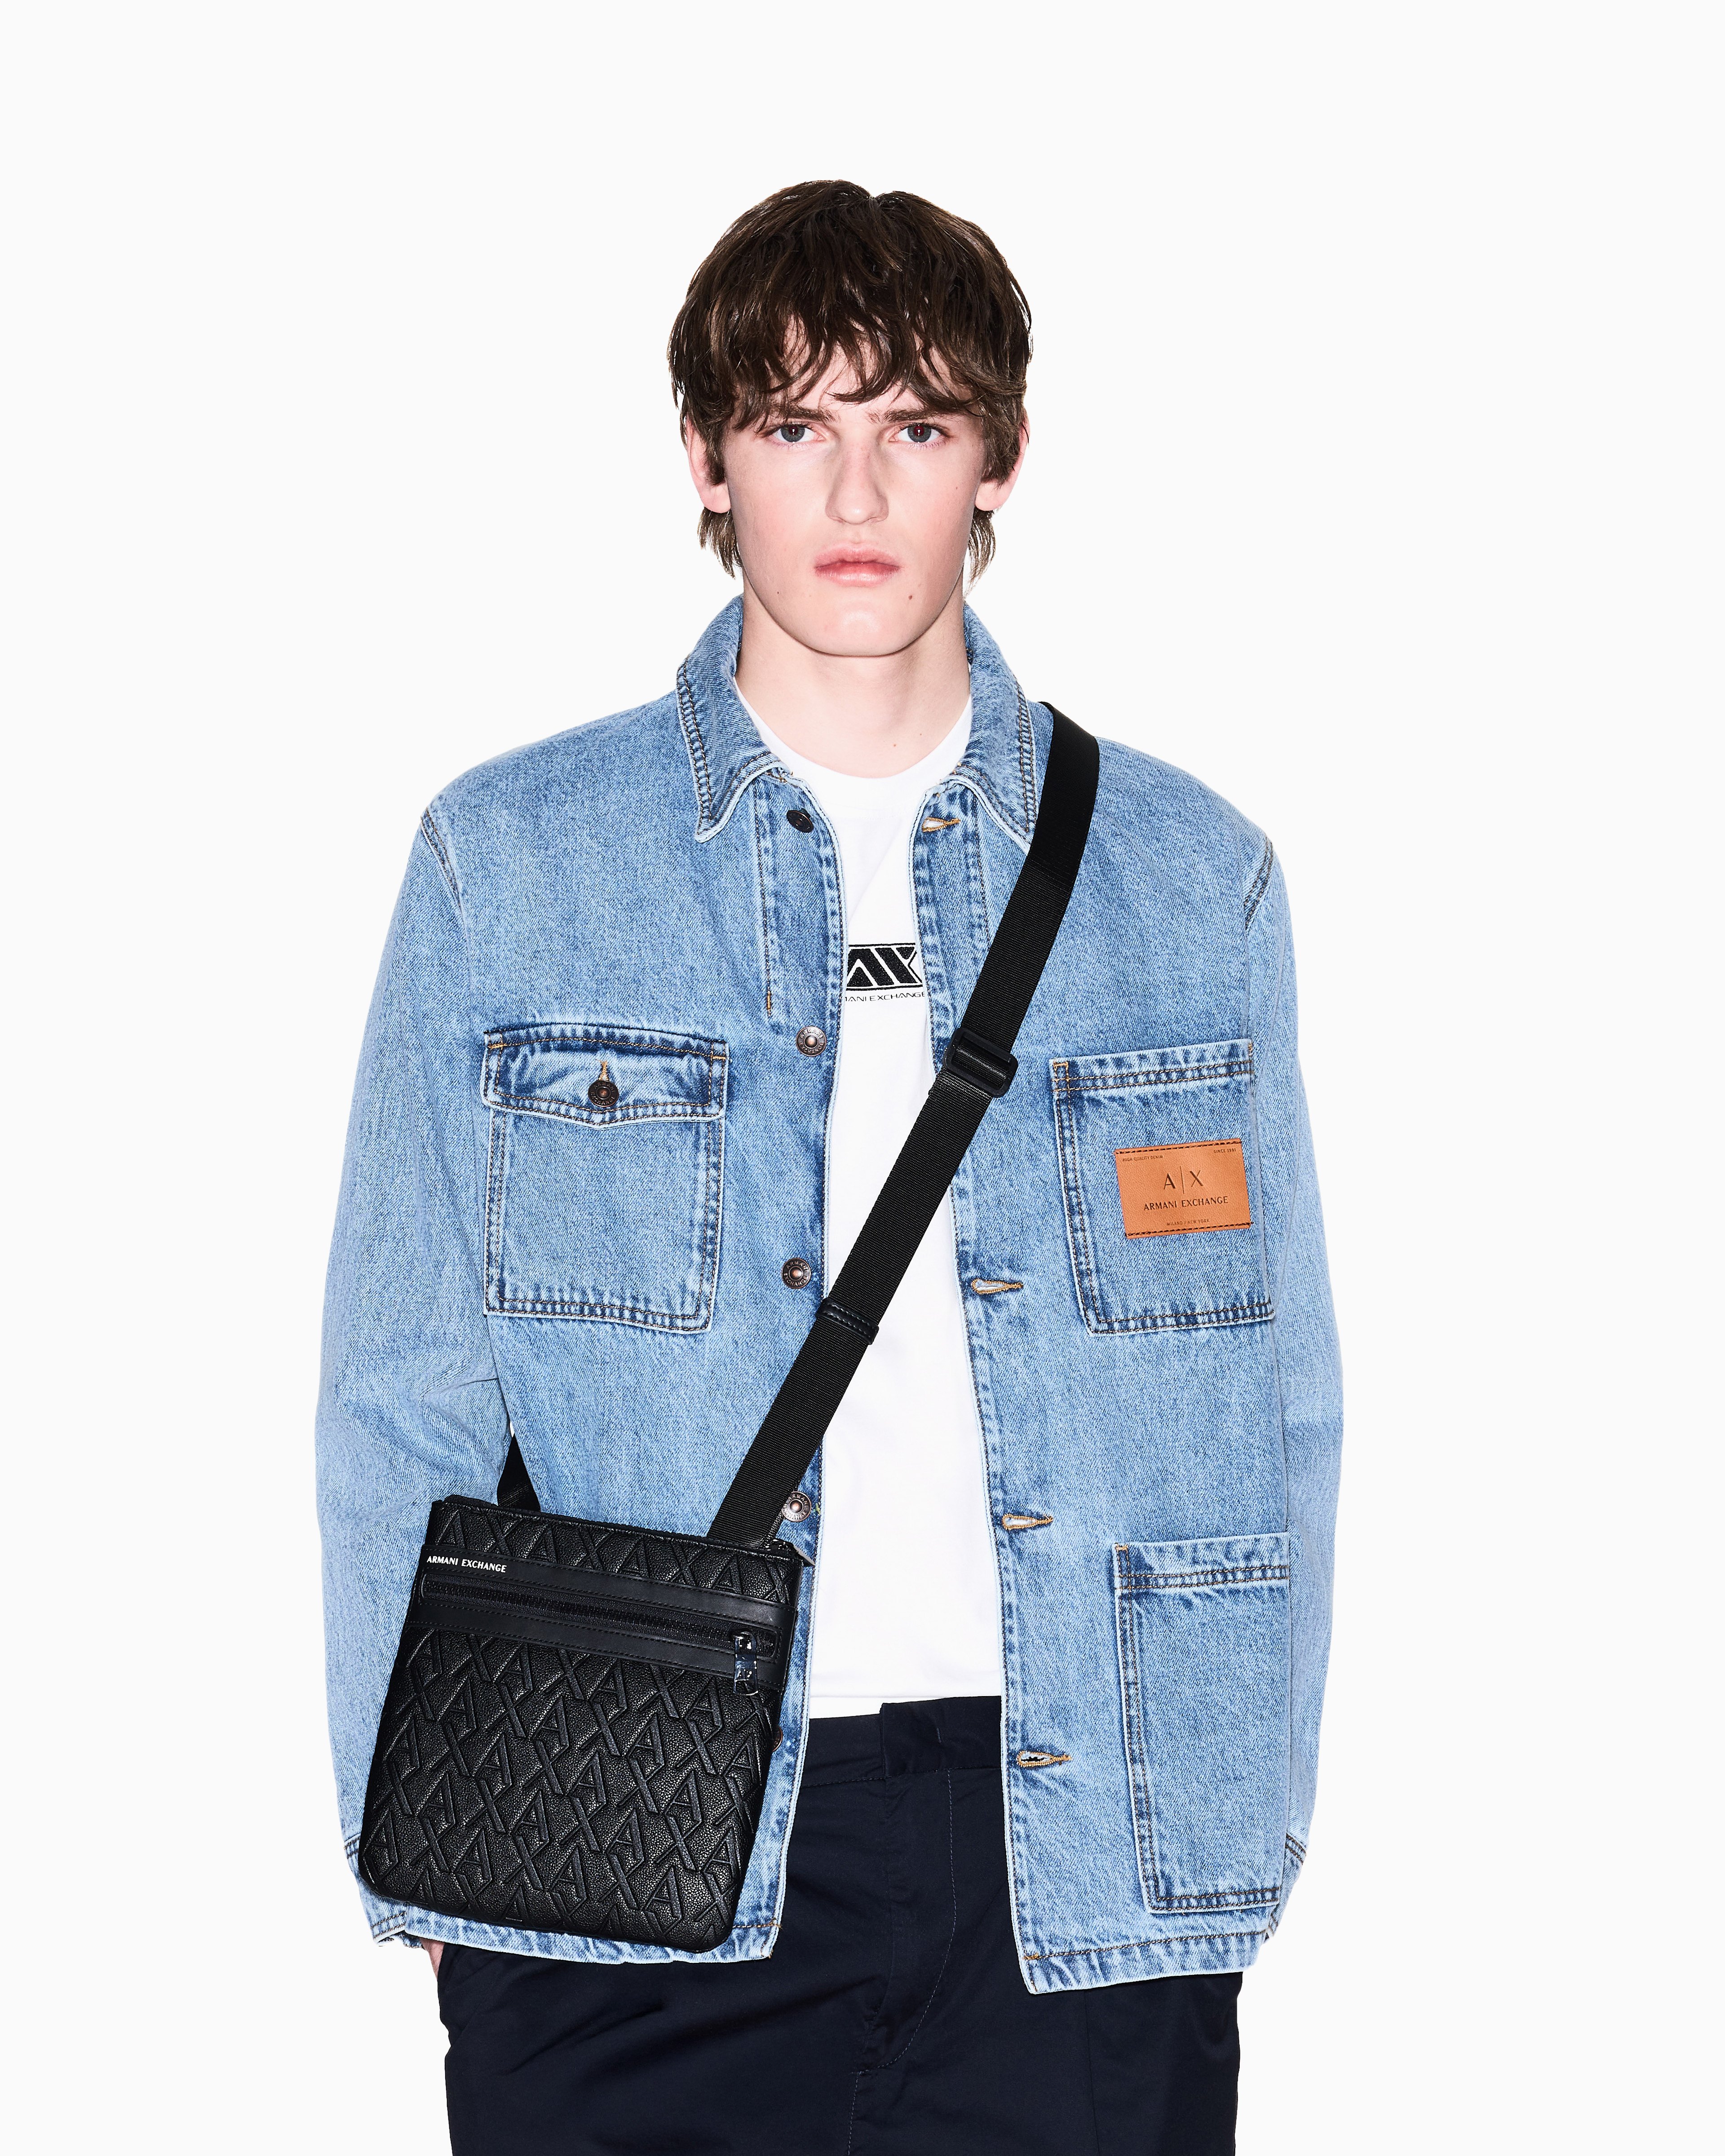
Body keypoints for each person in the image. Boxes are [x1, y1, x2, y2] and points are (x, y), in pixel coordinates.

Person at [317, 179, 1343, 2155]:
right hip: (623, 1855)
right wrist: (427, 1849)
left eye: (917, 423)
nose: (857, 491)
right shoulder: (513, 866)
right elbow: (403, 1386)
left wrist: (1238, 1815)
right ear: (708, 461)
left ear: (1000, 459)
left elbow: (1275, 1396)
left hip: (1071, 1864)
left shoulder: (1184, 879)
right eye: (795, 425)